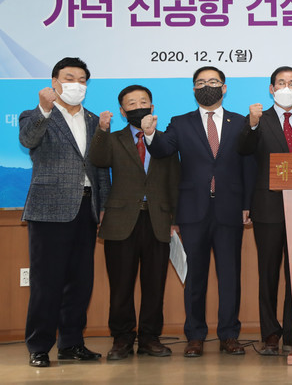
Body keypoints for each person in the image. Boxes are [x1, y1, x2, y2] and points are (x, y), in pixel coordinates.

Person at [142, 66, 255, 357]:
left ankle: (229, 335)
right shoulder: (180, 123)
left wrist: (247, 204)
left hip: (230, 208)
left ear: (224, 87)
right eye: (201, 82)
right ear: (193, 89)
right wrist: (151, 134)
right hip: (193, 210)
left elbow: (248, 165)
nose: (207, 86)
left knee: (230, 276)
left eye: (213, 81)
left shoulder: (241, 122)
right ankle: (195, 336)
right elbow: (163, 150)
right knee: (195, 278)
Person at [19, 57, 110, 368]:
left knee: (80, 282)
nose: (76, 84)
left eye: (82, 79)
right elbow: (28, 139)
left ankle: (71, 343)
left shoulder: (94, 120)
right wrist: (44, 109)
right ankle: (39, 346)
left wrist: (103, 207)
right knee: (46, 282)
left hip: (87, 207)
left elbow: (100, 168)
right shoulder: (35, 115)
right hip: (49, 209)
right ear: (55, 82)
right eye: (69, 78)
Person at [89, 85, 180, 360]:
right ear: (122, 111)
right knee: (121, 285)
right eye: (131, 103)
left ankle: (150, 338)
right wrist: (101, 129)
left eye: (143, 102)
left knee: (155, 284)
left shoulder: (165, 140)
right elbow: (98, 159)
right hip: (120, 220)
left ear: (152, 107)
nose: (138, 106)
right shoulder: (113, 139)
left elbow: (174, 179)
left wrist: (176, 219)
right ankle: (122, 339)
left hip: (157, 219)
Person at [238, 66, 292, 355]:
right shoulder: (258, 120)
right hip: (267, 206)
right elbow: (244, 150)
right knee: (268, 272)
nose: (287, 87)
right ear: (271, 89)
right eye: (281, 83)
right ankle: (270, 333)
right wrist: (252, 124)